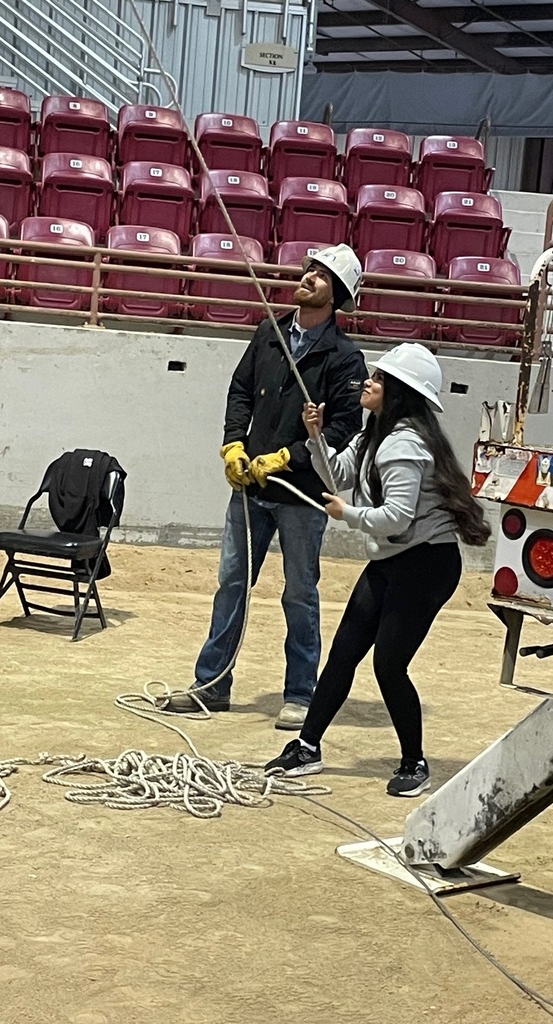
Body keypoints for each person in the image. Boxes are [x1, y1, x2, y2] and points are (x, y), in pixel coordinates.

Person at [264, 343, 491, 794]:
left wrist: (346, 515)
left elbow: (397, 518)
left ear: (400, 392)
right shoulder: (376, 434)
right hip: (393, 559)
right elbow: (338, 475)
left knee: (389, 665)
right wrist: (316, 437)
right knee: (345, 651)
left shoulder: (405, 445)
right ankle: (307, 747)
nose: (368, 382)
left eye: (380, 378)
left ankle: (414, 762)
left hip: (426, 565)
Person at [167, 244, 368, 730]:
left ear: (337, 294)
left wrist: (288, 457)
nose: (308, 277)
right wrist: (233, 445)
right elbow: (240, 390)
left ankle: (301, 694)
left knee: (299, 593)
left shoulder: (345, 359)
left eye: (321, 275)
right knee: (231, 584)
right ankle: (212, 684)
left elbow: (343, 428)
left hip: (301, 495)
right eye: (309, 270)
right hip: (249, 491)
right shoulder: (269, 332)